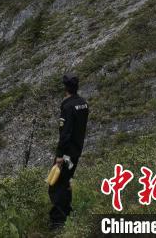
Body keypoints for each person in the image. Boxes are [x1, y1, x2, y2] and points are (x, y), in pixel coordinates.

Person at [48, 73, 89, 230]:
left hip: (66, 153)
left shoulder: (68, 106)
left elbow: (65, 134)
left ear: (65, 87)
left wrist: (59, 155)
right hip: (76, 151)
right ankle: (67, 213)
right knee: (65, 183)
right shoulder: (83, 104)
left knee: (55, 186)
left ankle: (58, 222)